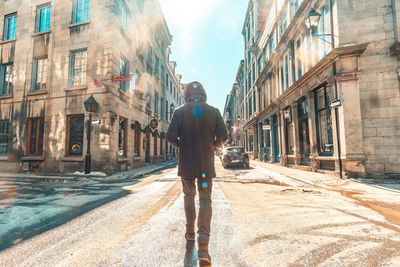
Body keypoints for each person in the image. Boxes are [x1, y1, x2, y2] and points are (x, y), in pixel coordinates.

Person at [167, 81, 228, 264]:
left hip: (186, 163)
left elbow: (170, 137)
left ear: (186, 95)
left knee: (188, 197)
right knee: (205, 199)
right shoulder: (214, 111)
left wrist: (182, 146)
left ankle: (190, 233)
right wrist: (212, 145)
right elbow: (224, 137)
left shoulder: (179, 112)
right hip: (205, 164)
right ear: (204, 94)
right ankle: (203, 243)